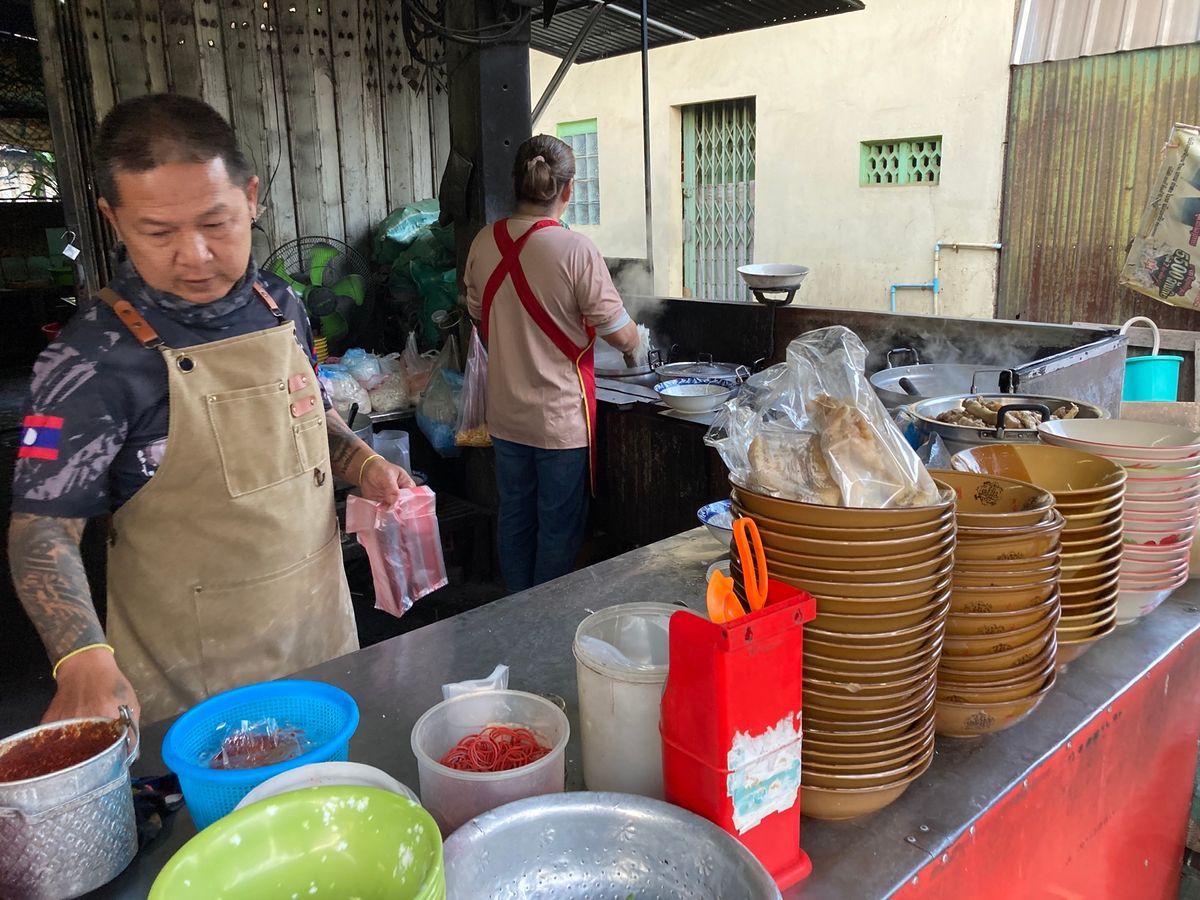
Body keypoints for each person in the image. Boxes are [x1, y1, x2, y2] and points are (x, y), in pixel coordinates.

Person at [8, 93, 414, 726]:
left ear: (251, 198)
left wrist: (362, 463)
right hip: (195, 688)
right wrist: (81, 656)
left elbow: (309, 416)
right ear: (113, 219)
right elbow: (41, 528)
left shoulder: (279, 304)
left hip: (322, 645)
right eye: (158, 231)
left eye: (216, 222)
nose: (194, 255)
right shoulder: (90, 357)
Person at [465, 134, 640, 592]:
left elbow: (480, 320)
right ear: (568, 190)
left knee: (516, 519)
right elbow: (620, 333)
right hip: (559, 422)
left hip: (505, 417)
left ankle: (516, 614)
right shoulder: (576, 250)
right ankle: (543, 627)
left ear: (516, 184)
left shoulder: (484, 243)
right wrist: (634, 343)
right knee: (559, 528)